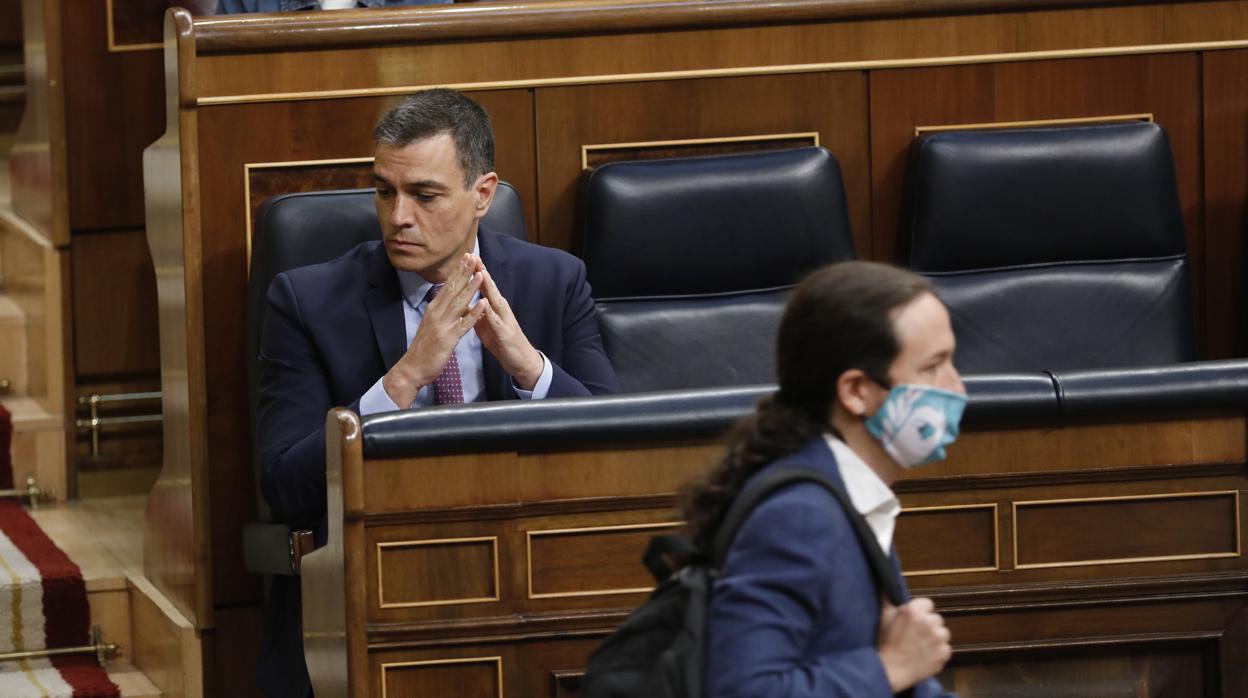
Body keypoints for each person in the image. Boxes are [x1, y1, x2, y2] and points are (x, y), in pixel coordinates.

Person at [255, 88, 619, 697]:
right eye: (384, 191)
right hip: (381, 575)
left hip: (525, 566)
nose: (398, 216)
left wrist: (528, 366)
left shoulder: (553, 282)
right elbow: (285, 486)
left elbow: (615, 448)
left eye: (423, 195)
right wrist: (403, 379)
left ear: (482, 194)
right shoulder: (307, 301)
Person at [684, 261, 964, 697]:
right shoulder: (800, 516)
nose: (957, 388)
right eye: (933, 367)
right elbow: (743, 691)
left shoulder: (848, 491)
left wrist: (900, 668)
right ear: (855, 391)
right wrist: (889, 668)